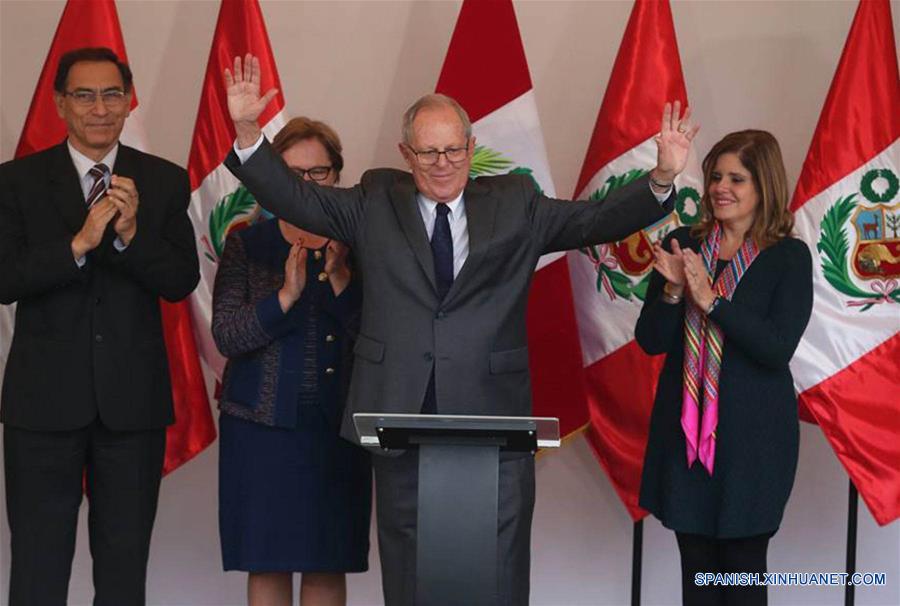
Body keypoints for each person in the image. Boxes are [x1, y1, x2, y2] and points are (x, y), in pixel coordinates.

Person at [222, 54, 697, 606]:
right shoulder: (375, 198)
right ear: (406, 154)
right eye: (428, 151)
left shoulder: (516, 202)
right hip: (399, 408)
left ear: (471, 149)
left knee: (497, 568)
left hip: (492, 409)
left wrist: (661, 177)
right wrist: (251, 135)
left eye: (453, 149)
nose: (442, 163)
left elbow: (594, 221)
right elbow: (296, 198)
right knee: (408, 566)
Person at [0, 47, 199, 605]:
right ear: (60, 103)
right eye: (84, 95)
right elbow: (5, 278)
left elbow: (181, 279)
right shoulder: (16, 181)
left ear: (129, 100)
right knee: (38, 568)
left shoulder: (161, 180)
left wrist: (132, 236)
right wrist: (79, 245)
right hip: (42, 407)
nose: (99, 108)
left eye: (112, 94)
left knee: (123, 569)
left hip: (131, 408)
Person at [635, 130, 813, 606]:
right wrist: (674, 292)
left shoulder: (787, 257)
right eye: (715, 175)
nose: (720, 187)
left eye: (737, 177)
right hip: (686, 440)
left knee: (740, 581)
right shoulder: (682, 244)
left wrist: (711, 301)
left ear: (764, 186)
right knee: (697, 581)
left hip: (753, 446)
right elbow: (651, 341)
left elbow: (775, 348)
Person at [212, 116, 371, 606]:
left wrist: (342, 280)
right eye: (292, 173)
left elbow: (377, 339)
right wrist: (284, 297)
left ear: (337, 176)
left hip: (336, 430)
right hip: (260, 431)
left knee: (327, 559)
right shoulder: (246, 242)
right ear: (272, 177)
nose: (306, 184)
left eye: (318, 173)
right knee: (267, 559)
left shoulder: (362, 244)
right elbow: (227, 336)